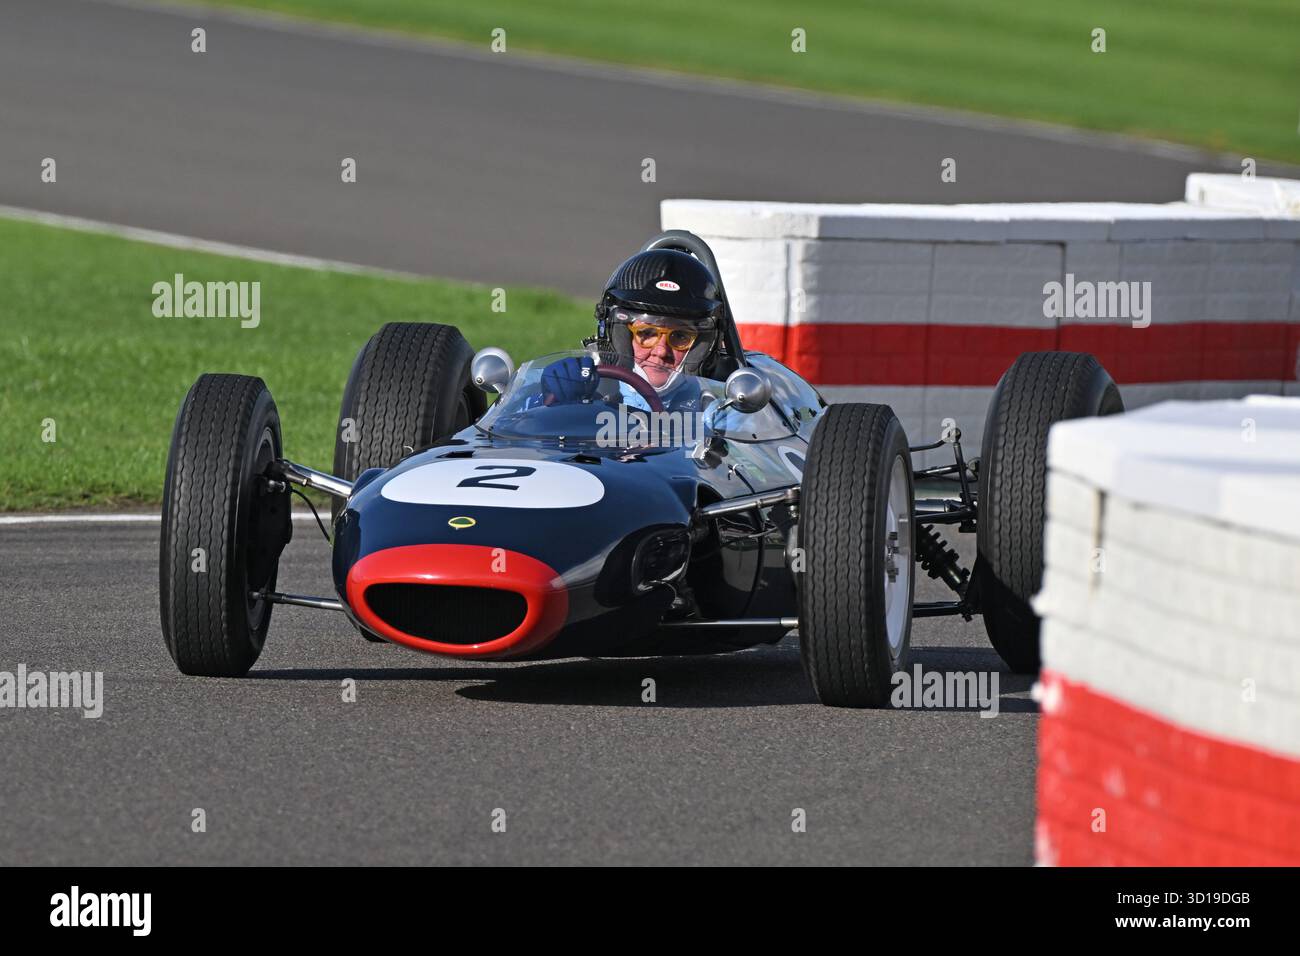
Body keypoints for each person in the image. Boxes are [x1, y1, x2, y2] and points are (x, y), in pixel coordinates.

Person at [540, 249, 726, 413]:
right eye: (646, 333)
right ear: (619, 337)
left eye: (680, 337)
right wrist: (550, 402)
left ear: (702, 345)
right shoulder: (587, 383)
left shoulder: (720, 403)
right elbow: (522, 426)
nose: (661, 351)